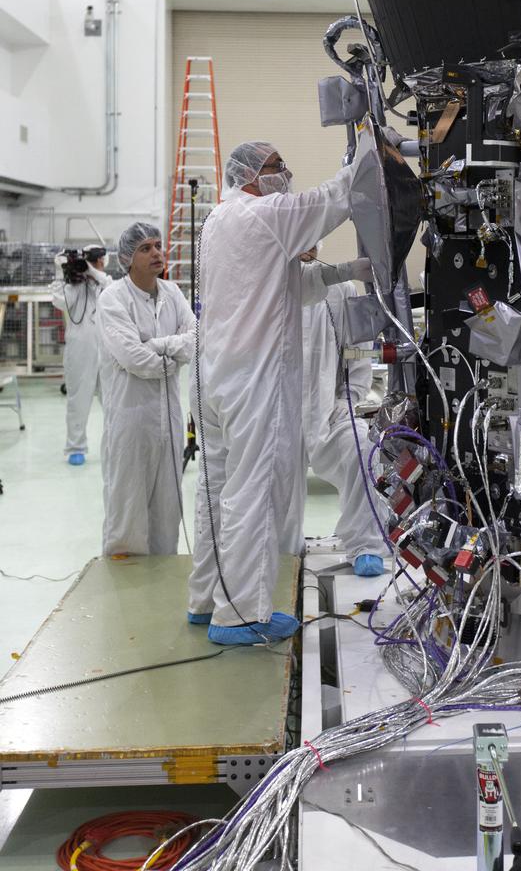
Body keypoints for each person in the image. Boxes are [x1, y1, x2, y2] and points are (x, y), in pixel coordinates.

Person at [188, 140, 371, 647]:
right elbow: (331, 199)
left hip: (218, 378)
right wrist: (370, 151)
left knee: (217, 494)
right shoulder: (264, 214)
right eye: (276, 166)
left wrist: (343, 273)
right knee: (255, 493)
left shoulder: (221, 220)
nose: (285, 173)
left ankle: (204, 600)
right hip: (255, 382)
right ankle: (241, 616)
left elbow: (284, 287)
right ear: (250, 174)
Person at [96, 222, 195, 556]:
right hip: (131, 422)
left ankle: (163, 572)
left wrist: (156, 345)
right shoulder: (113, 299)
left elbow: (197, 340)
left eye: (157, 245)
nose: (156, 253)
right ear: (128, 258)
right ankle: (124, 579)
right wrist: (174, 359)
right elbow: (134, 359)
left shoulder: (173, 293)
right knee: (128, 509)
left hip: (169, 421)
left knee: (167, 511)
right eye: (145, 248)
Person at [301, 246, 384, 576]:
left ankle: (366, 544)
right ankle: (279, 551)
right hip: (277, 417)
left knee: (363, 449)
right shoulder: (272, 287)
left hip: (328, 410)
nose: (309, 246)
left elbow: (358, 356)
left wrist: (346, 399)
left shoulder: (343, 290)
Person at [51, 245, 110, 465]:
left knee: (113, 401)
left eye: (97, 261)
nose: (96, 264)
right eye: (92, 261)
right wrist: (60, 274)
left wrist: (93, 273)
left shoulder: (106, 284)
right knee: (78, 401)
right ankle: (76, 447)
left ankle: (116, 444)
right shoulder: (74, 287)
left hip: (107, 351)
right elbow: (60, 302)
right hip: (80, 352)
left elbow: (111, 288)